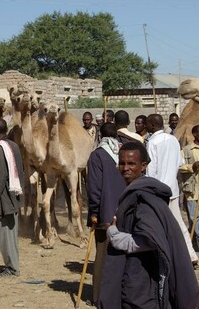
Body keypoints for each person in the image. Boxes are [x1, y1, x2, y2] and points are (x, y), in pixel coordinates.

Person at [98, 141, 199, 309]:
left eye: (131, 163)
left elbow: (151, 240)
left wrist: (115, 236)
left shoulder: (143, 198)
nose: (125, 168)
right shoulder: (136, 192)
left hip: (142, 282)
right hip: (137, 279)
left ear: (143, 166)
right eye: (122, 163)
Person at [145, 114, 199, 265]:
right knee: (178, 223)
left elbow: (151, 169)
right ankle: (191, 254)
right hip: (172, 189)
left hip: (158, 189)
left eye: (148, 124)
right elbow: (179, 162)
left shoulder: (152, 142)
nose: (146, 126)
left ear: (153, 125)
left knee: (158, 224)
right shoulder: (173, 139)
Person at [86, 123, 126, 303]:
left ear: (100, 135)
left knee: (102, 256)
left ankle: (99, 297)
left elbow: (94, 187)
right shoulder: (125, 154)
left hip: (105, 214)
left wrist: (94, 211)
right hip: (124, 213)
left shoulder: (97, 156)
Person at [0, 118, 24, 277]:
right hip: (14, 197)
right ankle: (12, 265)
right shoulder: (13, 146)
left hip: (5, 201)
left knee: (4, 237)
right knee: (11, 235)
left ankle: (12, 268)